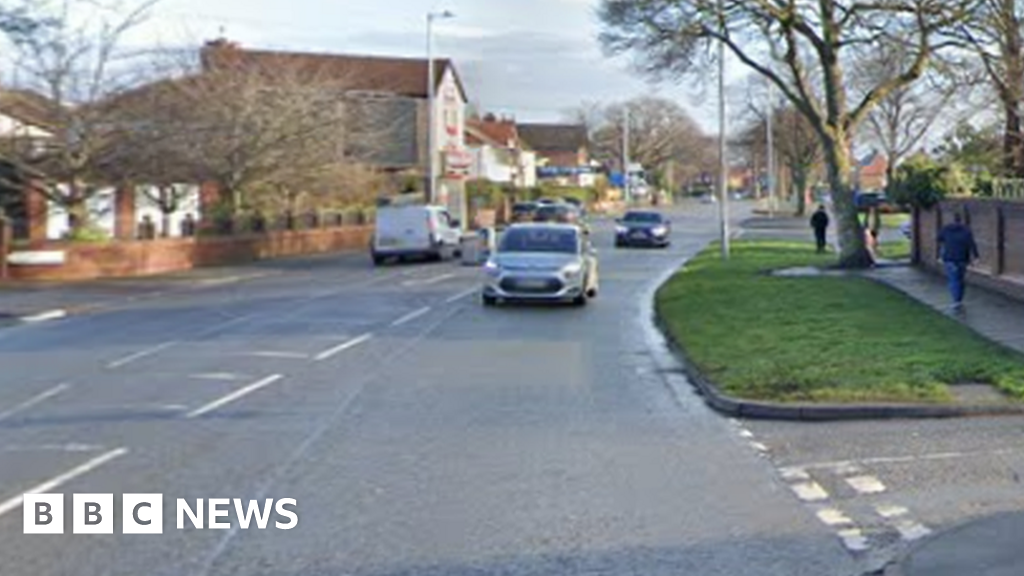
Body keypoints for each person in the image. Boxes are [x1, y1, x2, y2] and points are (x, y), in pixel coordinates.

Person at [937, 212, 979, 311]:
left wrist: (940, 254)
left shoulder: (946, 229)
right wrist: (976, 257)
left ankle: (956, 301)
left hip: (949, 258)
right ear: (960, 220)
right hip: (963, 258)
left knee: (953, 280)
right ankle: (959, 299)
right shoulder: (966, 230)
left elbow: (939, 239)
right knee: (960, 279)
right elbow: (972, 244)